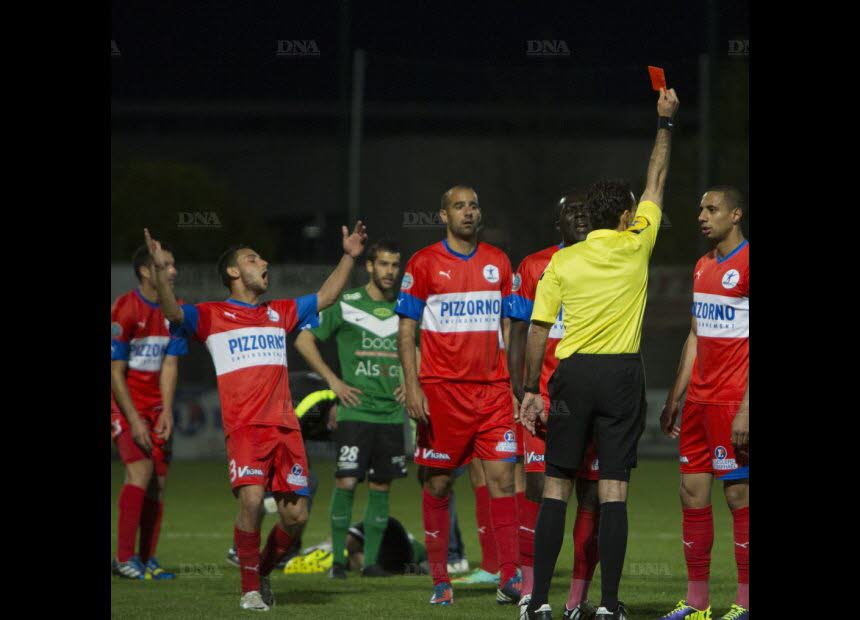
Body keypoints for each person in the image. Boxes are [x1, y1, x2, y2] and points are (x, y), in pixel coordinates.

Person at [144, 222, 367, 612]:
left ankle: (260, 571)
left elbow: (326, 296)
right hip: (246, 429)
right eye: (252, 258)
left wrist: (349, 256)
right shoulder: (211, 315)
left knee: (296, 516)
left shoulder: (279, 312)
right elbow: (171, 310)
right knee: (250, 501)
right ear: (233, 272)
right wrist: (162, 271)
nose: (263, 262)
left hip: (286, 429)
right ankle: (249, 590)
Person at [520, 87, 680, 620]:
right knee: (613, 490)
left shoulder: (562, 263)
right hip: (620, 377)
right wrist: (665, 122)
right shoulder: (638, 243)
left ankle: (537, 602)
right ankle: (609, 605)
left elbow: (538, 332)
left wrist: (528, 390)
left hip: (572, 375)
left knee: (557, 487)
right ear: (628, 213)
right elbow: (658, 177)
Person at [397, 185, 521, 606]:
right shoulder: (424, 263)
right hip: (442, 391)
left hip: (493, 392)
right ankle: (439, 580)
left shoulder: (498, 262)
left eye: (473, 205)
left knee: (504, 479)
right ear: (443, 215)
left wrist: (512, 381)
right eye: (459, 206)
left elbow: (509, 324)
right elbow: (406, 329)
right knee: (438, 481)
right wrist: (413, 385)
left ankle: (509, 576)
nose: (468, 212)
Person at [657, 188, 749, 620]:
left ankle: (746, 602)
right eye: (699, 208)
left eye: (711, 209)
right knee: (691, 493)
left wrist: (748, 407)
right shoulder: (702, 266)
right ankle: (697, 603)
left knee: (738, 496)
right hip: (698, 401)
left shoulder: (747, 264)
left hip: (733, 401)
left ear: (735, 214)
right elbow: (695, 335)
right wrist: (676, 396)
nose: (701, 216)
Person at [508, 193, 600, 618]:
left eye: (585, 210)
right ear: (557, 221)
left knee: (593, 493)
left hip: (593, 398)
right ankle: (529, 589)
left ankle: (577, 597)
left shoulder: (610, 261)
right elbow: (519, 331)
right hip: (545, 399)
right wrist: (520, 390)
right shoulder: (533, 266)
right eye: (570, 211)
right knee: (538, 488)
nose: (579, 216)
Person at [294, 240, 409, 579]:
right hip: (355, 411)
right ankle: (338, 564)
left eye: (395, 265)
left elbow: (420, 348)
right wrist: (332, 381)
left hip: (390, 413)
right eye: (384, 264)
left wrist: (412, 381)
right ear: (370, 267)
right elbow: (303, 338)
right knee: (346, 482)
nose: (390, 271)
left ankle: (371, 564)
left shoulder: (406, 307)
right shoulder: (346, 304)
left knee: (381, 486)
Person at [111, 244, 188, 580]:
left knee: (158, 481)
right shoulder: (125, 309)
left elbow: (170, 363)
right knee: (139, 471)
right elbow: (115, 372)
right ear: (146, 271)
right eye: (165, 264)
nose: (173, 270)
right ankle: (124, 558)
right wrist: (132, 420)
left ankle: (147, 559)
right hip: (124, 403)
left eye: (172, 264)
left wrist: (167, 411)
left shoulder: (177, 312)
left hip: (156, 408)